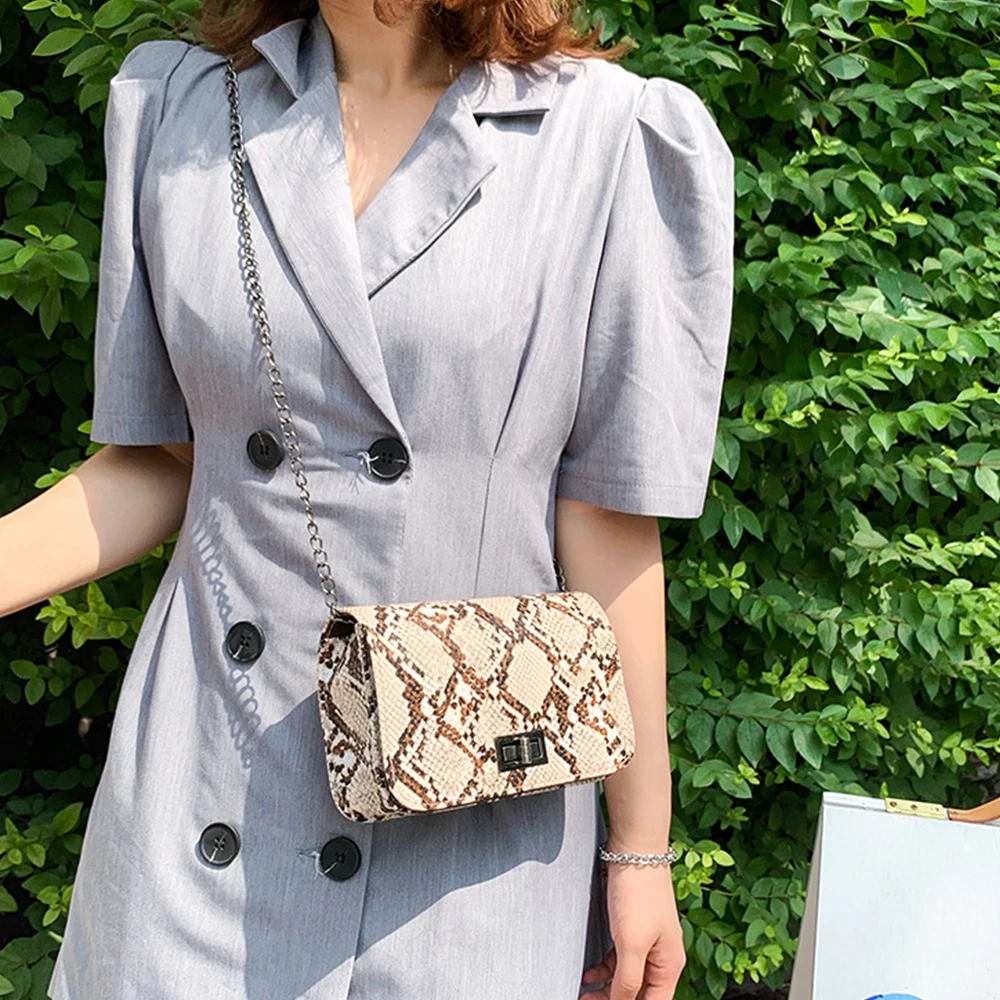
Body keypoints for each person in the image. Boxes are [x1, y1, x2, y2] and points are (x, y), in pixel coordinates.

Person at [0, 0, 734, 994]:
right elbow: (162, 462)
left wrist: (640, 847)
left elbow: (605, 521)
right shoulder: (185, 111)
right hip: (205, 788)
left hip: (463, 822)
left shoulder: (604, 138)